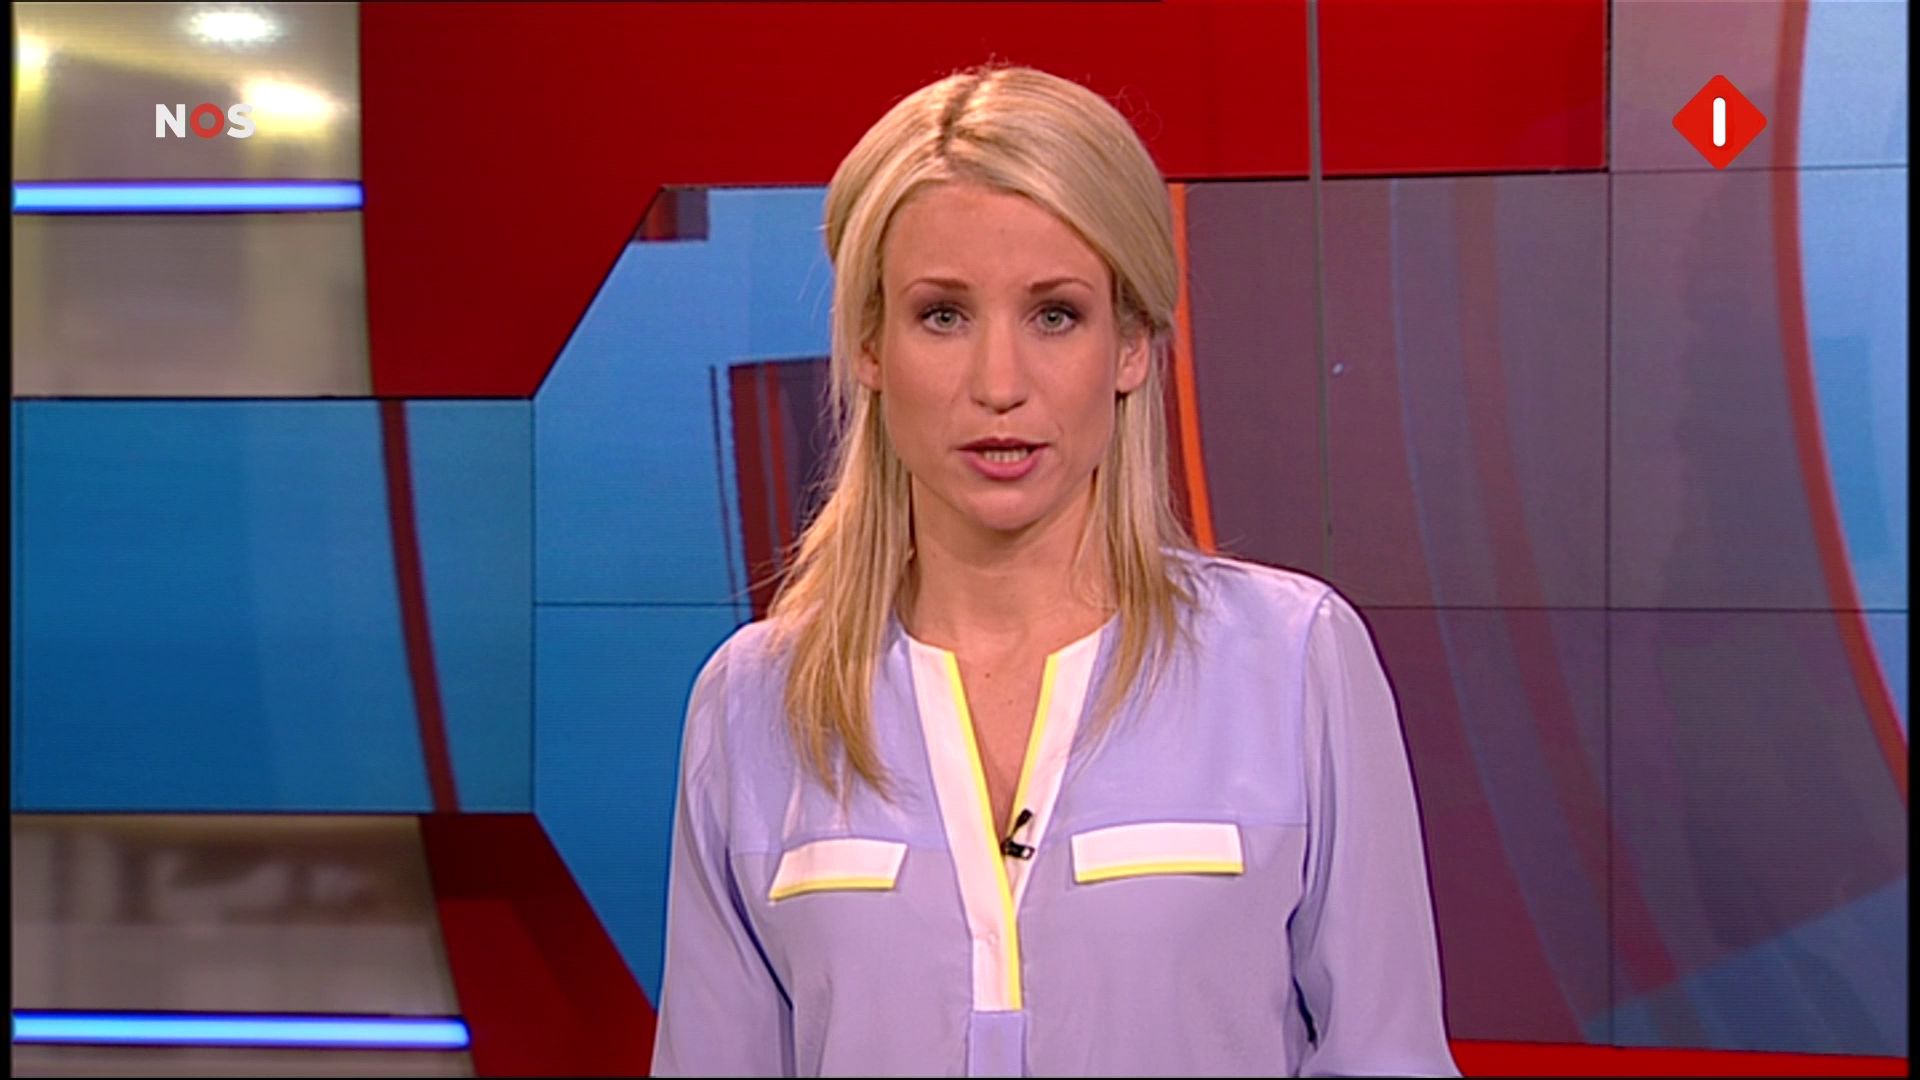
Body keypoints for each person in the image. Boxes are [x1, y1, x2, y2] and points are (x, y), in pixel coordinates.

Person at [650, 61, 1459, 1078]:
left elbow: (1386, 1055)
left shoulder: (1294, 660)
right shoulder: (754, 704)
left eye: (1055, 315)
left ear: (1132, 343)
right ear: (869, 346)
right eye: (943, 315)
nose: (1000, 384)